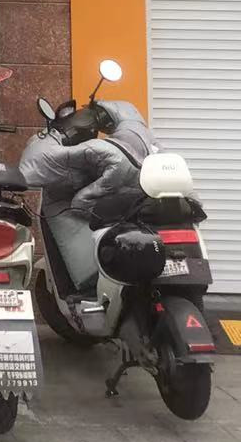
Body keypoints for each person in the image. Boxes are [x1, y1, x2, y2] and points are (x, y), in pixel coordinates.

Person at [19, 99, 157, 297]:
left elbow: (32, 169)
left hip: (116, 192)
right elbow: (130, 117)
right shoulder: (140, 141)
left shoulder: (95, 149)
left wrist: (52, 137)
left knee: (80, 205)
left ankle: (92, 280)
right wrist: (100, 108)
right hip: (141, 197)